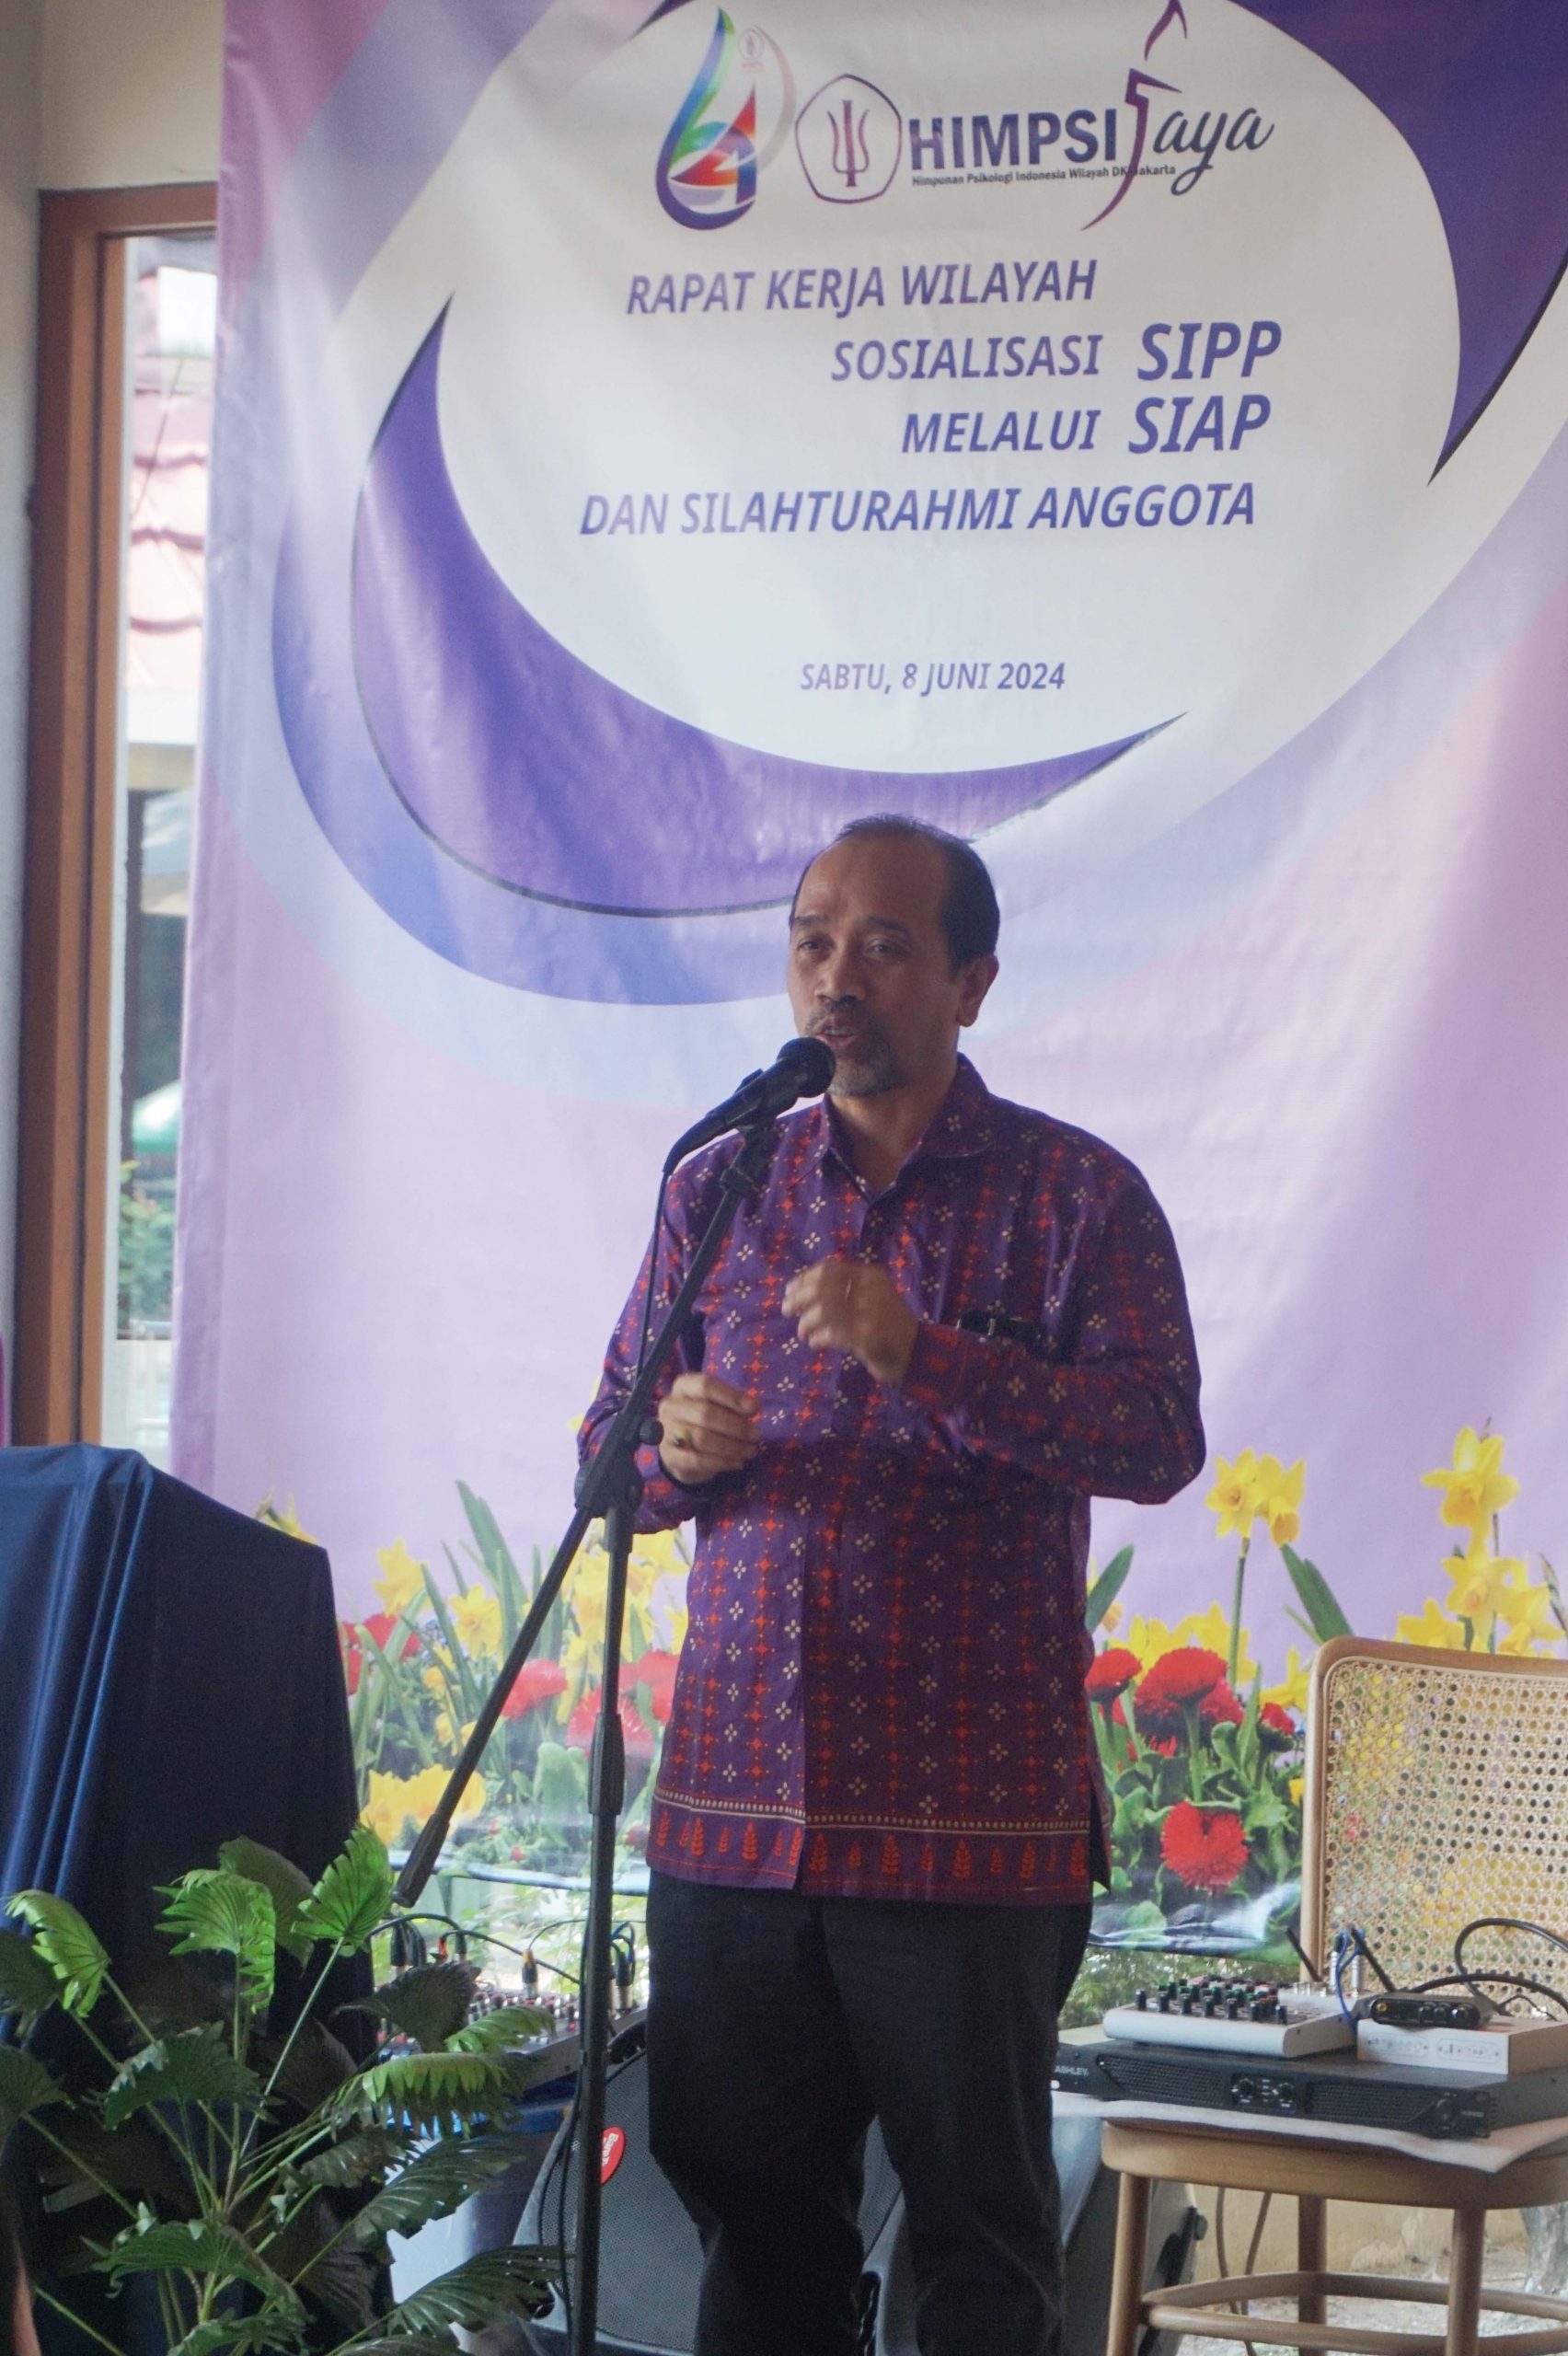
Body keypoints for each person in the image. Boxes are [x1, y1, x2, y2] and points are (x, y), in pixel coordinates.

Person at [579, 814, 1204, 2356]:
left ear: (973, 983)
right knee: (754, 2231)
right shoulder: (720, 1187)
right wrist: (671, 1453)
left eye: (884, 946)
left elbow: (1156, 1437)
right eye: (813, 942)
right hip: (735, 1823)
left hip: (963, 1830)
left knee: (980, 2248)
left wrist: (924, 1353)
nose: (837, 977)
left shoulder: (1076, 1198)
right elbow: (605, 1461)